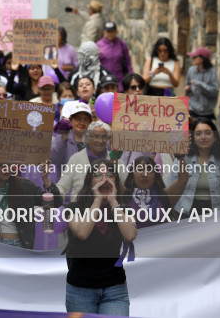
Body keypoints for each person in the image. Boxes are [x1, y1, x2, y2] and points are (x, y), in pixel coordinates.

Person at [64, 160, 137, 315]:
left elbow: (130, 235)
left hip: (114, 290)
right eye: (98, 175)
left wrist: (113, 202)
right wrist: (97, 200)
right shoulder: (74, 208)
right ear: (89, 180)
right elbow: (82, 233)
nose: (104, 179)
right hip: (80, 290)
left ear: (115, 181)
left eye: (110, 175)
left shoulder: (123, 210)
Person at [167, 118, 220, 215]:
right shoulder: (183, 159)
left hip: (213, 215)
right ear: (192, 137)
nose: (203, 137)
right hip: (184, 214)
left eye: (208, 133)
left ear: (215, 137)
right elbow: (169, 188)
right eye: (198, 133)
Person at [123, 155, 188, 228]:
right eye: (140, 169)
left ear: (155, 175)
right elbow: (113, 177)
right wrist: (114, 157)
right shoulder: (123, 194)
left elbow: (183, 179)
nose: (145, 174)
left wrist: (180, 157)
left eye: (149, 170)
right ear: (132, 175)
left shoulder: (165, 196)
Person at [57, 121, 110, 200]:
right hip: (79, 208)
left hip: (106, 209)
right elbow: (62, 186)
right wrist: (59, 193)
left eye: (104, 137)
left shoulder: (113, 159)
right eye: (96, 136)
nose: (100, 141)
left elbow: (126, 185)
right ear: (87, 139)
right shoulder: (76, 159)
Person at [51, 102, 93, 182]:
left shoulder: (95, 141)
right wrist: (63, 139)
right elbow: (54, 159)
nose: (82, 122)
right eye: (78, 119)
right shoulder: (61, 139)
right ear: (70, 120)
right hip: (68, 190)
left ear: (91, 122)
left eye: (86, 119)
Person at [185, 47, 219, 119]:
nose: (192, 58)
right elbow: (187, 89)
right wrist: (188, 89)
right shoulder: (191, 70)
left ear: (202, 59)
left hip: (207, 113)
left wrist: (199, 84)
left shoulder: (212, 72)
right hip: (192, 110)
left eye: (194, 57)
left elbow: (215, 92)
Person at [97, 22, 132, 90]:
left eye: (112, 31)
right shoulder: (98, 45)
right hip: (104, 80)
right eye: (108, 31)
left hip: (119, 80)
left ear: (116, 32)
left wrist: (131, 76)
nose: (110, 34)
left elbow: (128, 61)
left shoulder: (121, 44)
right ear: (104, 32)